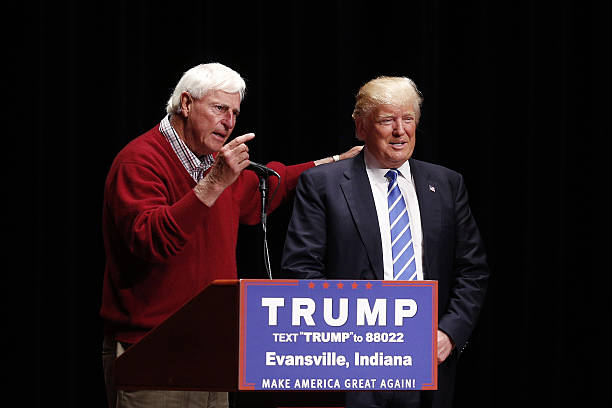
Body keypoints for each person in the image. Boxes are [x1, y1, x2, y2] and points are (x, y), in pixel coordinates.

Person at [100, 62, 361, 408]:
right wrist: (214, 184)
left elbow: (272, 184)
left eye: (235, 112)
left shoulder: (214, 165)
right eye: (220, 108)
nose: (229, 122)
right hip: (153, 353)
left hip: (212, 353)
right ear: (187, 104)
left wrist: (335, 162)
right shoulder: (140, 161)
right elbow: (152, 240)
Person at [280, 76, 489, 408]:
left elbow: (472, 270)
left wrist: (449, 334)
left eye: (408, 119)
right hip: (352, 366)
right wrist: (343, 336)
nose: (400, 130)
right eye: (387, 120)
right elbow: (301, 271)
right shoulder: (322, 185)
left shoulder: (447, 184)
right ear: (361, 127)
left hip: (427, 364)